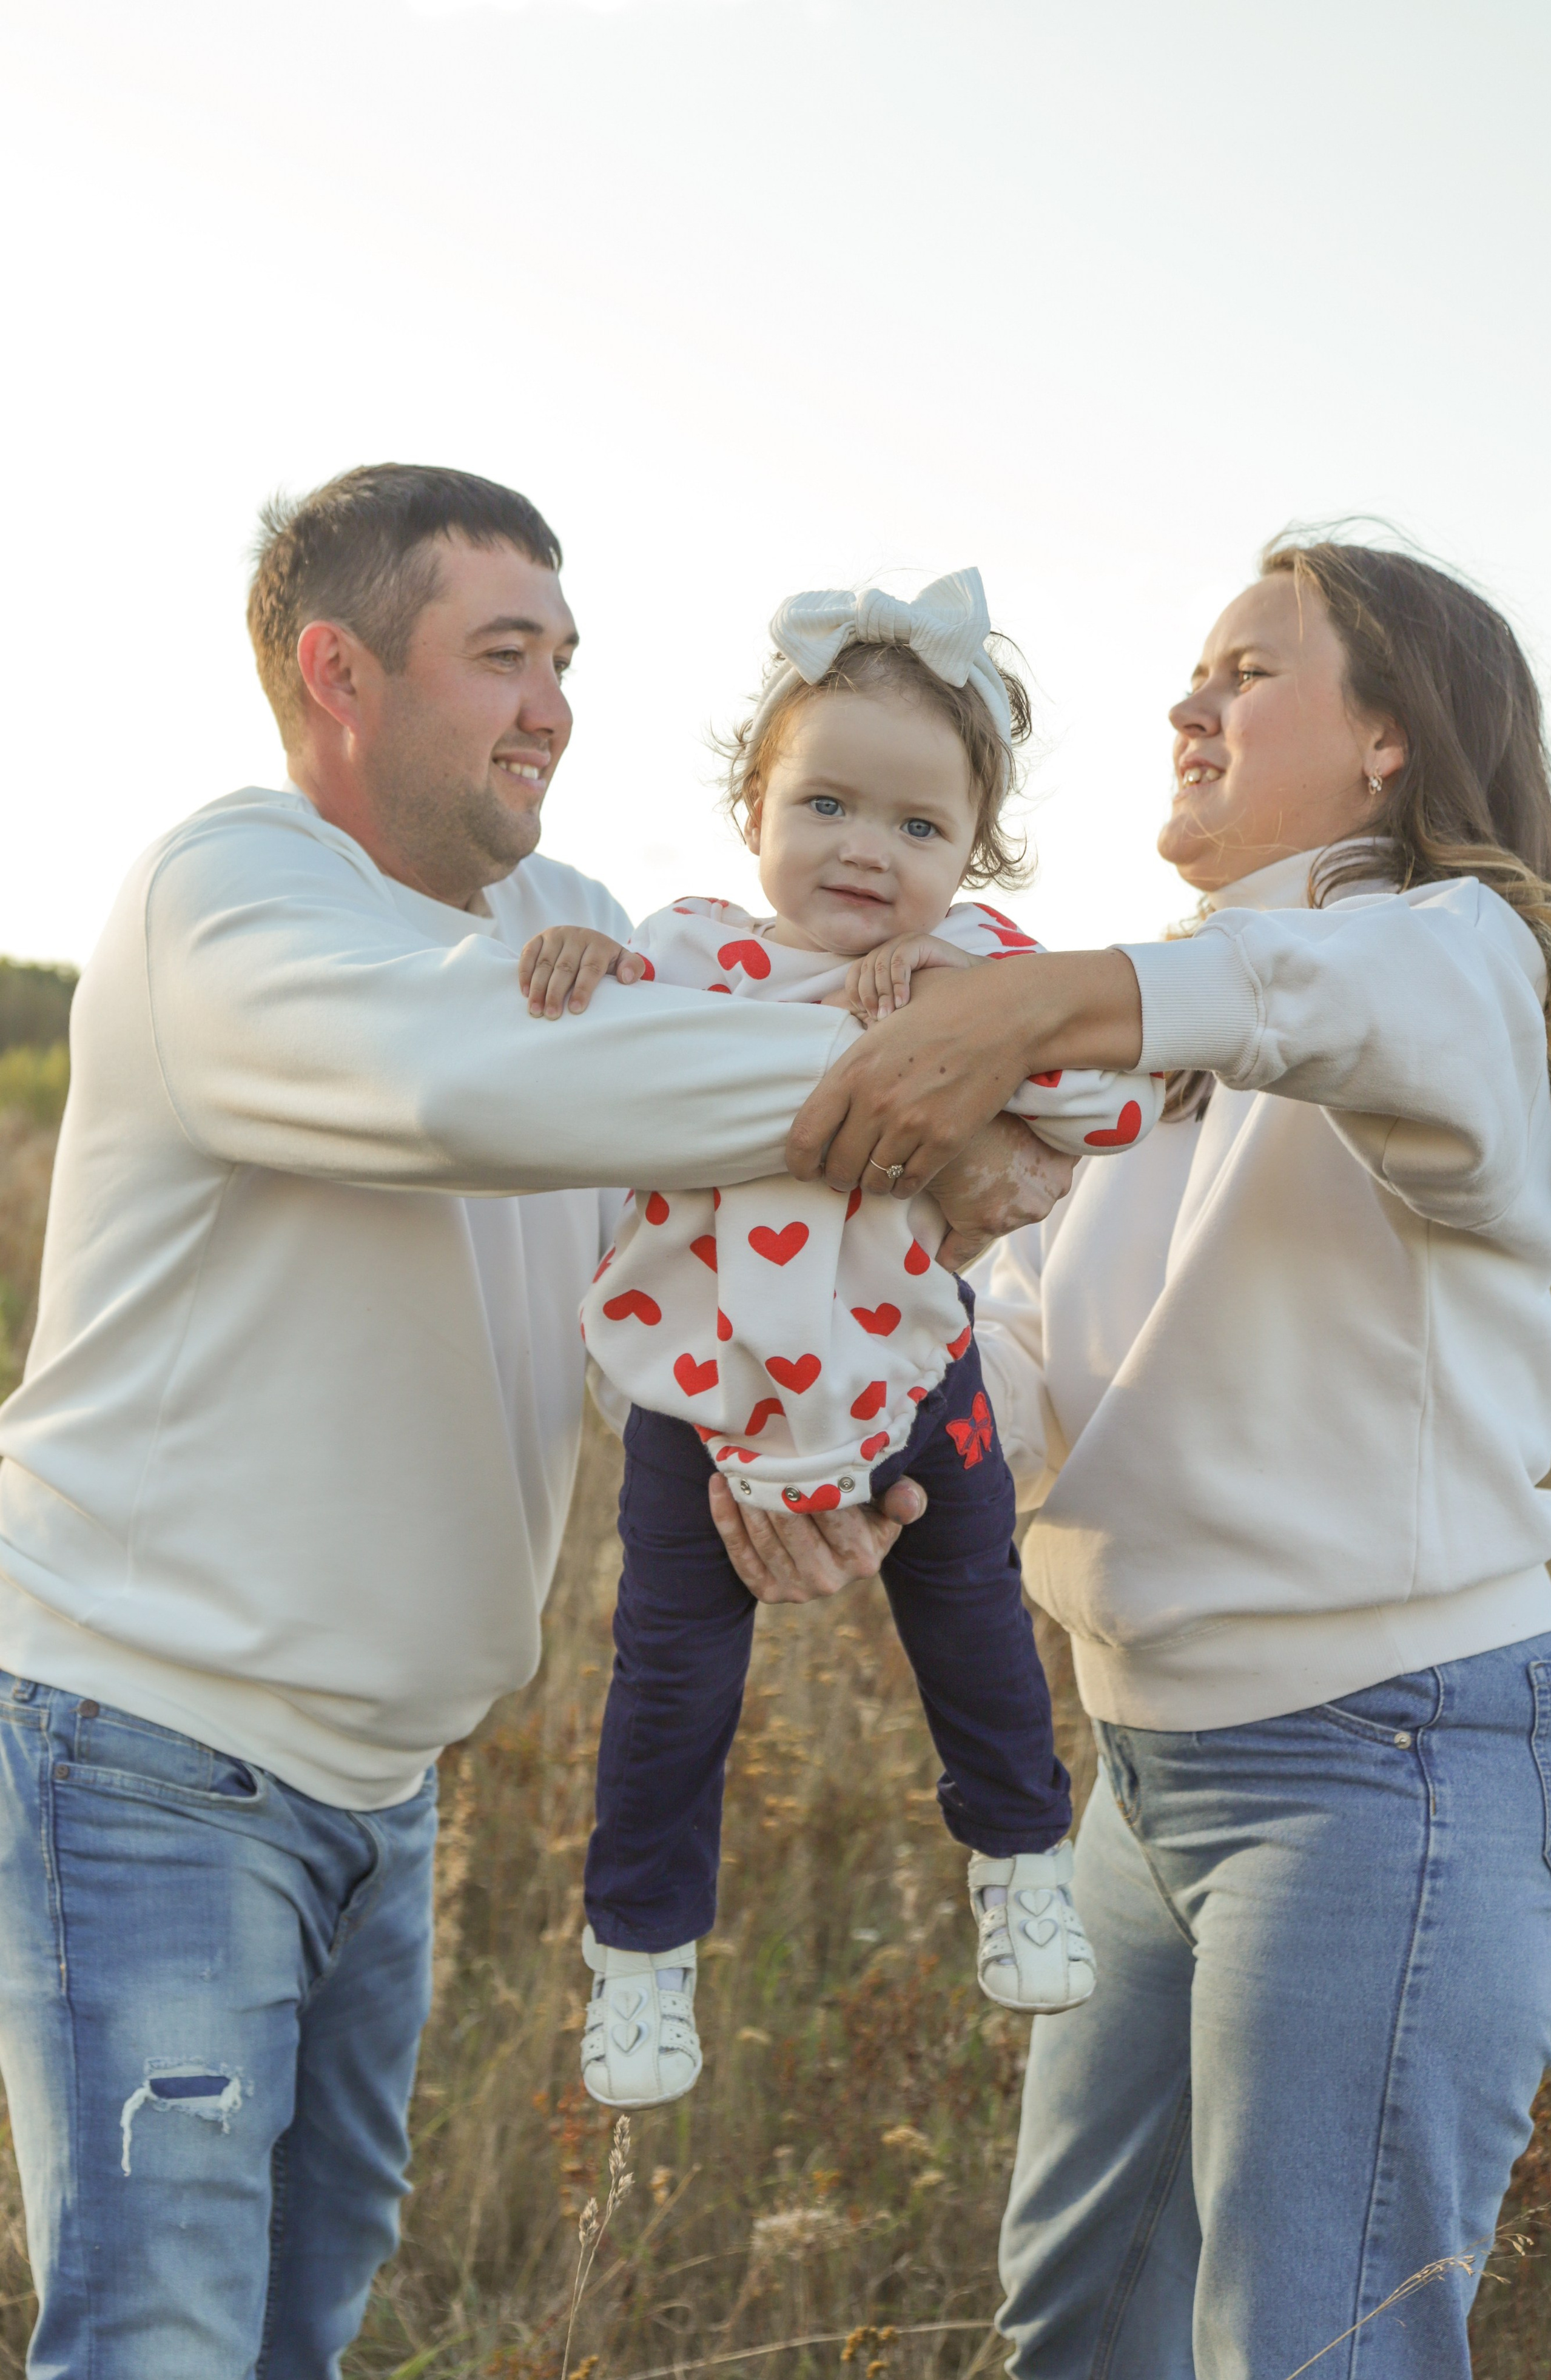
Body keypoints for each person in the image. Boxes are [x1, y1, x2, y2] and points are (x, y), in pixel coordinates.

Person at [0, 463, 1075, 2376]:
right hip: (152, 1751)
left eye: (567, 659)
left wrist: (792, 1453)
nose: (555, 707)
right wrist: (957, 1071)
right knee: (163, 2334)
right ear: (339, 672)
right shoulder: (228, 894)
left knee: (303, 2316)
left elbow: (698, 1238)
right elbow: (463, 1087)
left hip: (384, 1778)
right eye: (505, 655)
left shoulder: (580, 925)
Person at [949, 537, 1551, 2379]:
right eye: (1198, 670)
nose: (1186, 704)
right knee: (1077, 2327)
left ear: (1389, 740)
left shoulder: (1458, 957)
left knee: (1313, 2346)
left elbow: (1329, 992)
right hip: (1139, 1770)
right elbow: (1025, 1346)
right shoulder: (1154, 1035)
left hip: (1381, 1758)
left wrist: (1041, 999)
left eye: (1248, 670)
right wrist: (859, 1443)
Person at [523, 570, 1163, 2107]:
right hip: (702, 1394)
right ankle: (640, 1955)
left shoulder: (990, 968)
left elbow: (1107, 1103)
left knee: (978, 1630)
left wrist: (968, 1004)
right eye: (824, 804)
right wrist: (580, 970)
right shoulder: (691, 951)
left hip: (913, 1374)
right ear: (751, 809)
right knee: (669, 1681)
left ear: (973, 851)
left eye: (917, 826)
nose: (866, 849)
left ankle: (1020, 1861)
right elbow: (574, 1059)